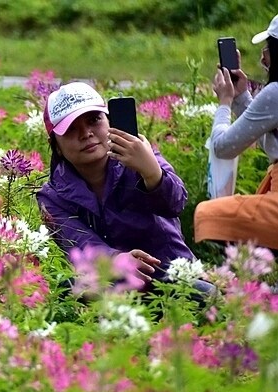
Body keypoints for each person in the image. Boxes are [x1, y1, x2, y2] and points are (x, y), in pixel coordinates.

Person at [36, 81, 211, 294]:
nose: (86, 133)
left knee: (205, 294)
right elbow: (78, 243)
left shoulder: (141, 156)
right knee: (64, 291)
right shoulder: (52, 196)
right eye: (71, 129)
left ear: (109, 121)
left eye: (94, 120)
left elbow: (176, 204)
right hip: (112, 283)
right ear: (56, 146)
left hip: (170, 274)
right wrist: (116, 260)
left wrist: (152, 173)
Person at [194, 13, 278, 252]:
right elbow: (269, 140)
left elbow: (223, 147)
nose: (264, 54)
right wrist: (242, 98)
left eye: (269, 47)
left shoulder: (275, 92)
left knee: (208, 215)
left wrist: (225, 101)